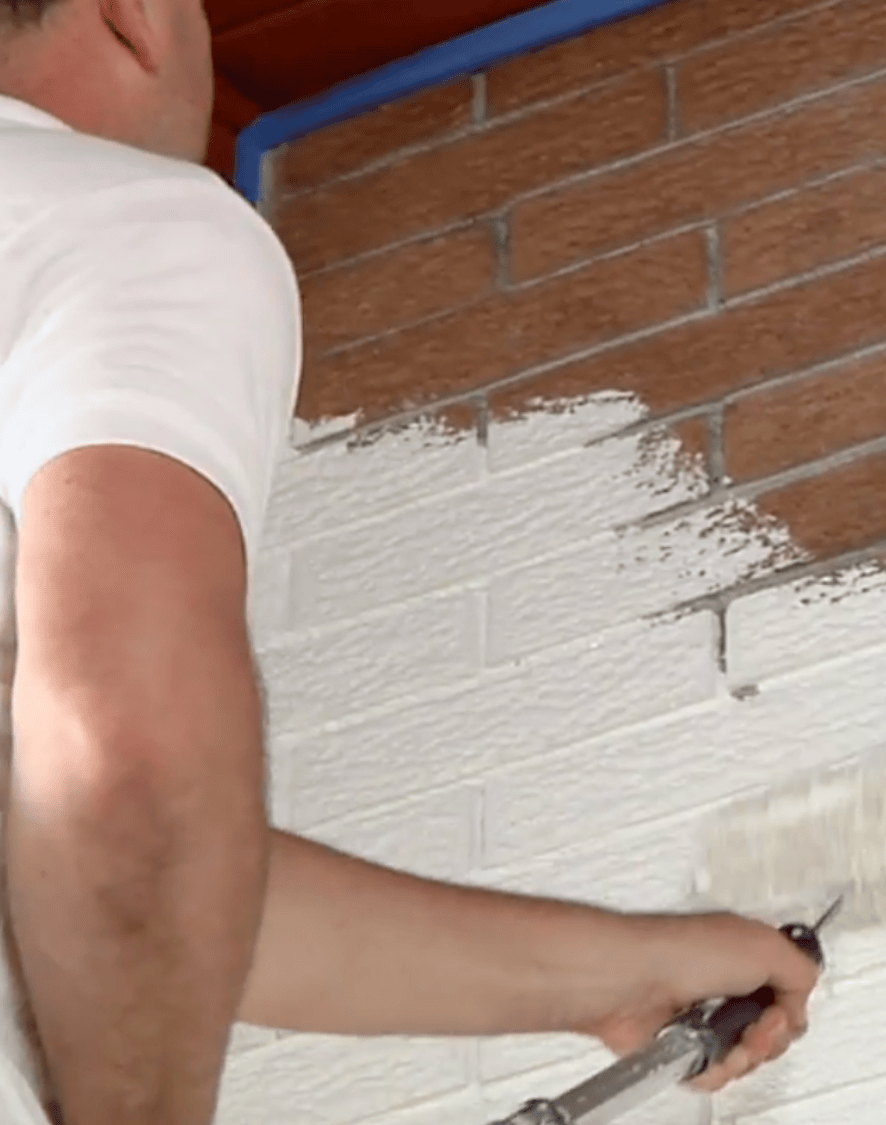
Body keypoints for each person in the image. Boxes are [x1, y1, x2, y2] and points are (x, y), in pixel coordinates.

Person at [0, 1, 821, 1122]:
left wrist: (619, 975)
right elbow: (128, 768)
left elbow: (123, 874)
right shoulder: (118, 218)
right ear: (135, 13)